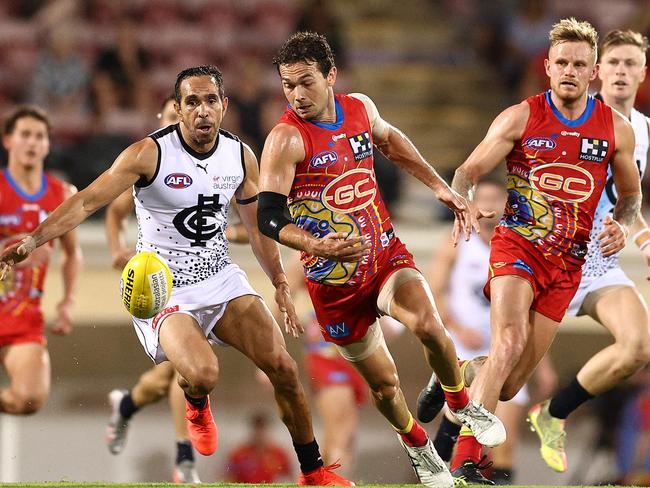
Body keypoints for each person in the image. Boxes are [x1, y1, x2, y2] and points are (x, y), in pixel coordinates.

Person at [0, 65, 353, 487]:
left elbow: (257, 225)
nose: (202, 111)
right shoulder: (148, 154)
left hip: (220, 276)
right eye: (191, 102)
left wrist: (278, 281)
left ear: (224, 106)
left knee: (283, 367)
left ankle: (314, 473)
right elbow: (86, 203)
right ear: (178, 109)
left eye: (210, 101)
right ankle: (195, 402)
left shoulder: (240, 155)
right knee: (203, 373)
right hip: (163, 287)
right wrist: (32, 241)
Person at [257, 31, 505, 488]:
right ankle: (417, 446)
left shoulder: (360, 109)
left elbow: (392, 142)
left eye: (305, 82)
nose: (296, 94)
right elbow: (269, 218)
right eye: (288, 85)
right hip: (333, 284)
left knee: (430, 325)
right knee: (386, 387)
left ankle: (459, 400)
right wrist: (315, 246)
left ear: (331, 75)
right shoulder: (285, 139)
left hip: (384, 255)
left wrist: (439, 187)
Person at [447, 18, 642, 484]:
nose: (570, 70)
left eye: (579, 63)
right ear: (548, 67)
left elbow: (631, 195)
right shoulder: (521, 117)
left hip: (568, 264)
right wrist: (464, 203)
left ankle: (452, 376)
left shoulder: (615, 131)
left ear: (593, 71)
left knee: (512, 381)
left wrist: (623, 223)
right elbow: (467, 171)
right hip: (518, 247)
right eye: (562, 62)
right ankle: (464, 463)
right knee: (509, 343)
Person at [528, 28, 650, 474]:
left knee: (638, 346)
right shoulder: (572, 114)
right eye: (613, 62)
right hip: (550, 257)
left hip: (599, 263)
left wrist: (642, 240)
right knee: (505, 380)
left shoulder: (641, 130)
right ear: (599, 71)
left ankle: (553, 414)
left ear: (641, 73)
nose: (620, 71)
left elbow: (627, 201)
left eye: (629, 64)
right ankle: (445, 447)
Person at [417, 178, 558, 484]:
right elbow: (433, 292)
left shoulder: (521, 248)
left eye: (496, 199)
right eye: (483, 199)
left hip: (505, 350)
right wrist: (457, 328)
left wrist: (542, 365)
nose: (490, 207)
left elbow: (532, 315)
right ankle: (440, 467)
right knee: (457, 435)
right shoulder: (458, 241)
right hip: (464, 345)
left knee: (500, 447)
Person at [104, 95, 198, 483]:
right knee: (184, 368)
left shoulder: (212, 164)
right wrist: (116, 250)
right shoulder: (150, 163)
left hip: (203, 279)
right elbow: (114, 210)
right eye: (174, 116)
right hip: (158, 281)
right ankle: (184, 455)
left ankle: (125, 405)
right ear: (162, 120)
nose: (183, 122)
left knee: (164, 380)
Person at [0, 105, 82, 414]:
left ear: (47, 145)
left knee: (29, 400)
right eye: (25, 135)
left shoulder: (61, 194)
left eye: (39, 136)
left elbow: (73, 253)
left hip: (23, 318)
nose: (32, 143)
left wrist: (67, 301)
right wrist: (12, 253)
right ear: (8, 141)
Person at [224, 412, 292, 483]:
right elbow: (227, 478)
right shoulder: (238, 455)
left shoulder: (280, 455)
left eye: (263, 429)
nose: (260, 433)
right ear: (252, 430)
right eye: (257, 429)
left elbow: (289, 479)